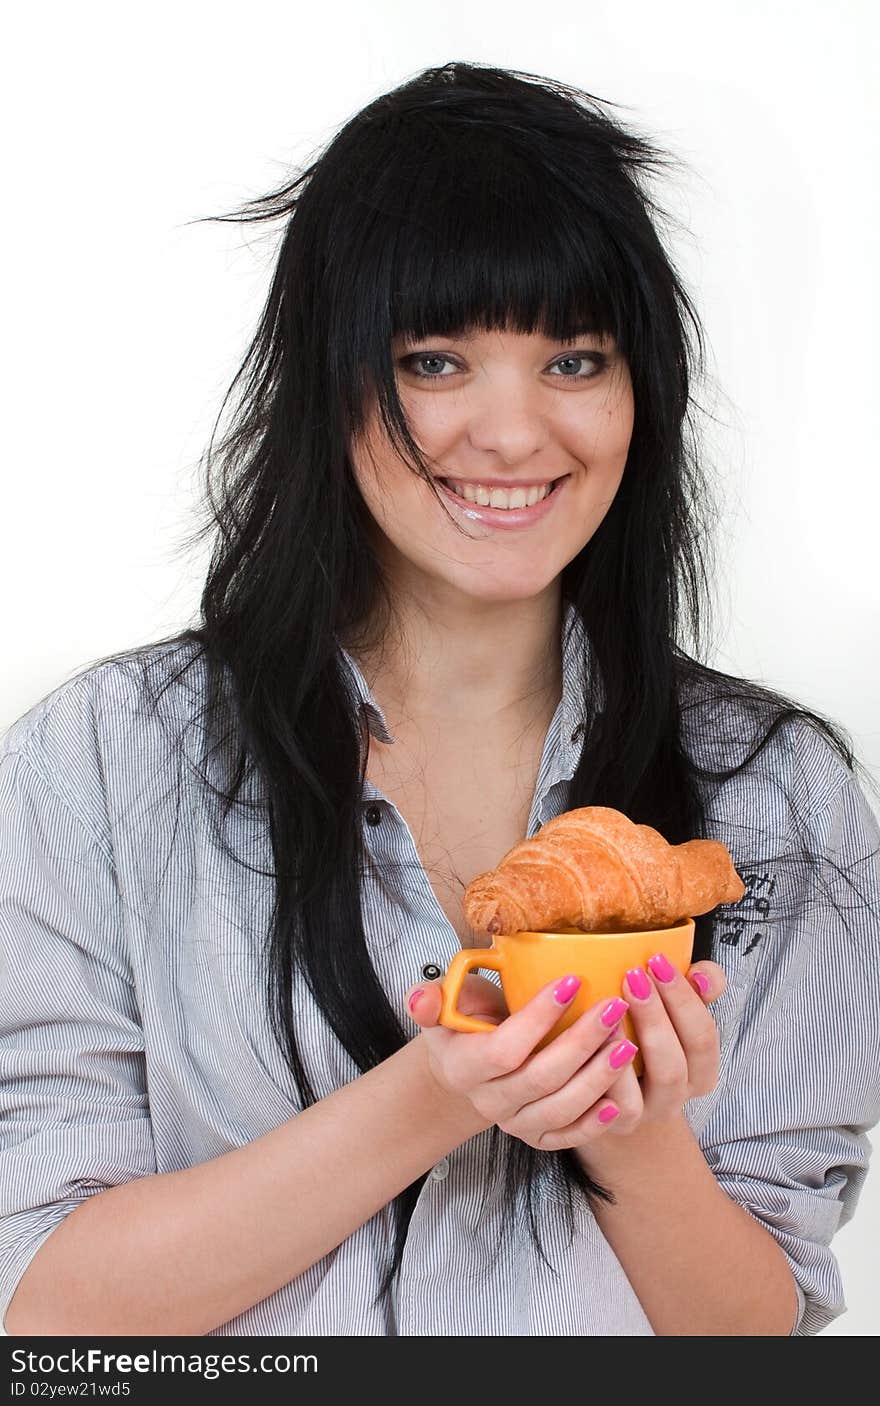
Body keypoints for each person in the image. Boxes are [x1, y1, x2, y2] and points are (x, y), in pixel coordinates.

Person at [1, 60, 878, 1340]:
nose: (515, 434)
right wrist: (440, 1091)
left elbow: (753, 1331)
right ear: (328, 379)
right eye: (434, 359)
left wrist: (633, 1144)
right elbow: (47, 1307)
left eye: (575, 357)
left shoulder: (772, 793)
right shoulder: (98, 763)